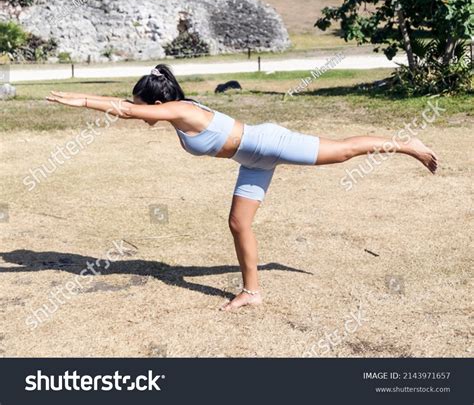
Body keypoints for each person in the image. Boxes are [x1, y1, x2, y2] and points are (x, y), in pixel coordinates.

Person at [47, 64, 438, 311]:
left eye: (141, 104)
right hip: (251, 160)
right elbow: (128, 105)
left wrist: (80, 100)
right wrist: (88, 99)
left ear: (154, 102)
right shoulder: (174, 110)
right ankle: (252, 290)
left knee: (342, 153)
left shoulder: (182, 109)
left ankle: (408, 145)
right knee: (238, 223)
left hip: (268, 143)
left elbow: (129, 110)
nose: (137, 110)